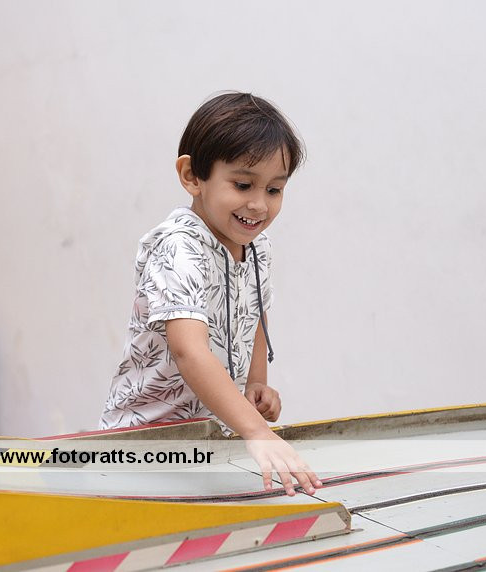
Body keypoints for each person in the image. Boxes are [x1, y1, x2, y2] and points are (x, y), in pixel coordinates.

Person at [100, 92, 321, 495]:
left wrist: (256, 382)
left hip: (209, 442)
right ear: (192, 176)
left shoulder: (257, 248)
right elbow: (190, 351)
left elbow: (255, 312)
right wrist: (257, 432)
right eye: (243, 185)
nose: (259, 205)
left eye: (274, 190)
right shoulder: (178, 246)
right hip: (147, 445)